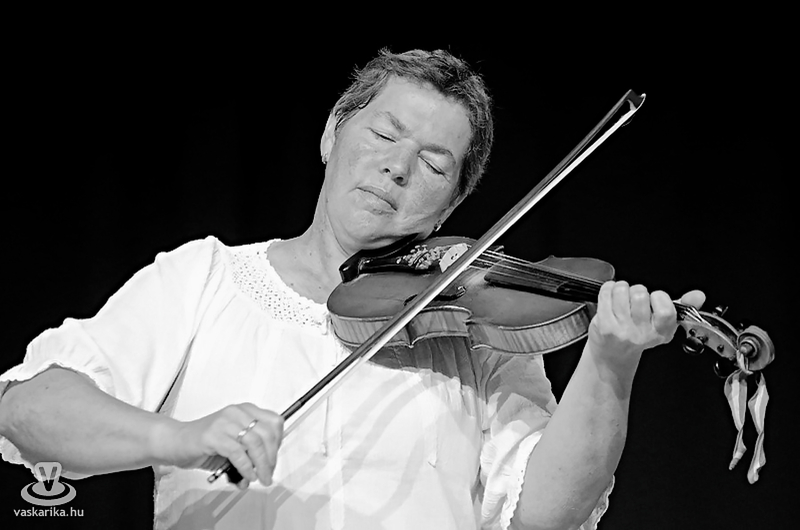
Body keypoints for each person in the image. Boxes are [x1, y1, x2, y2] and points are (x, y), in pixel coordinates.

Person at [0, 49, 704, 530]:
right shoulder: (204, 279)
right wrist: (179, 437)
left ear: (452, 206)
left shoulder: (474, 323)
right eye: (385, 134)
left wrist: (610, 361)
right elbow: (28, 408)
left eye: (435, 164)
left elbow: (543, 514)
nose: (398, 168)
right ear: (333, 133)